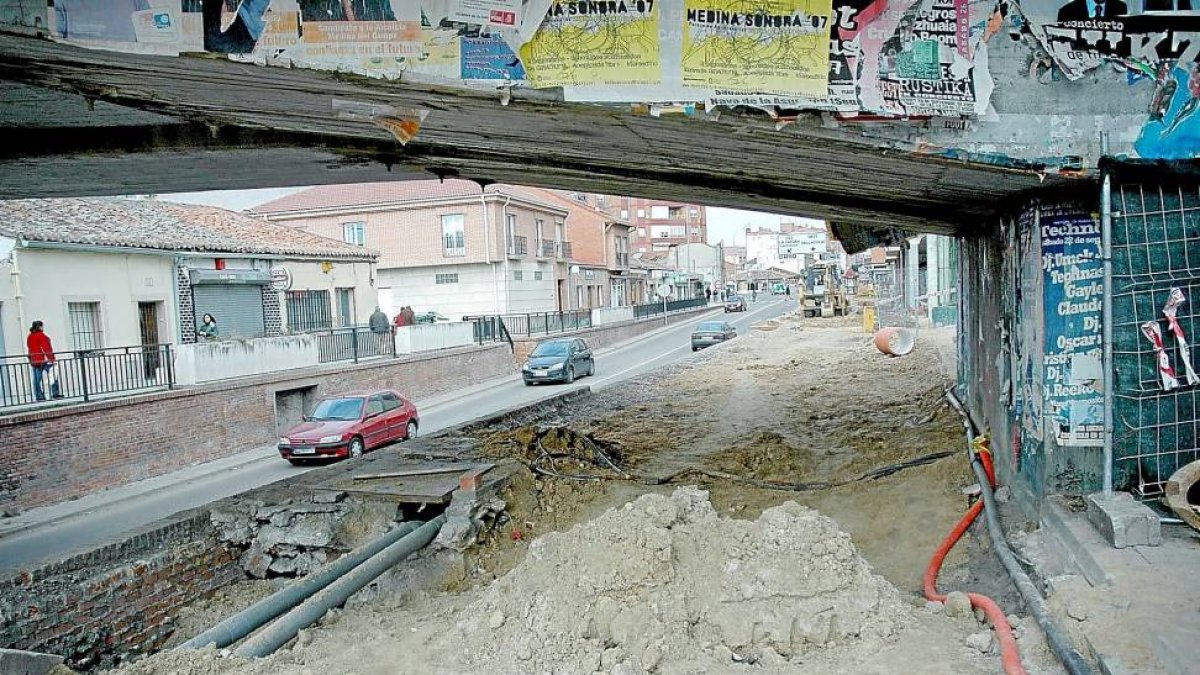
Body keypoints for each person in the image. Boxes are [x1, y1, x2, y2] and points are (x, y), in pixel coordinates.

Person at [27, 321, 62, 401]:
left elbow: (30, 348)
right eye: (42, 326)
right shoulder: (42, 336)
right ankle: (55, 394)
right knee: (53, 376)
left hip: (35, 361)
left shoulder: (29, 336)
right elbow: (47, 348)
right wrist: (52, 359)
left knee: (36, 379)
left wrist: (31, 359)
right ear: (39, 327)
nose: (43, 327)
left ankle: (39, 396)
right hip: (45, 360)